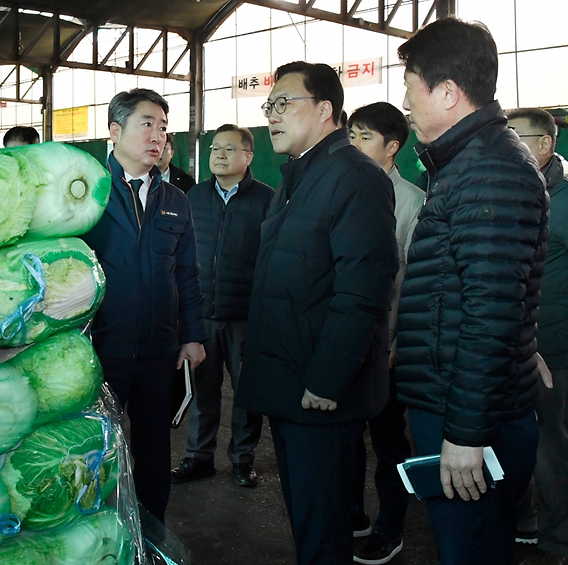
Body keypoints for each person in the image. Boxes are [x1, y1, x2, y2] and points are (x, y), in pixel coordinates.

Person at [394, 17, 549, 565]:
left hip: (469, 418)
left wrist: (464, 435)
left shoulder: (489, 169)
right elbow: (493, 289)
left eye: (410, 88)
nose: (406, 104)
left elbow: (490, 313)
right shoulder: (473, 162)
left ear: (448, 93)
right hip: (466, 401)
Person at [234, 61, 398, 565]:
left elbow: (362, 293)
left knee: (323, 531)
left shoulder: (356, 178)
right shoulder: (299, 177)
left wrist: (327, 381)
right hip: (290, 385)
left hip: (319, 397)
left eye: (285, 103)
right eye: (269, 106)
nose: (272, 116)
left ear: (325, 110)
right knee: (309, 520)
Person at [81, 88, 208, 524]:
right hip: (101, 349)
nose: (157, 136)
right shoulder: (89, 196)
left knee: (154, 452)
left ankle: (151, 536)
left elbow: (187, 274)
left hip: (159, 351)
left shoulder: (176, 201)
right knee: (98, 448)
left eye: (163, 127)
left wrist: (192, 335)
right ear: (115, 131)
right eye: (146, 124)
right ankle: (104, 534)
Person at [170, 124, 272, 488]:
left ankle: (243, 459)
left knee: (248, 394)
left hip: (246, 316)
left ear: (248, 156)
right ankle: (198, 458)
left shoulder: (267, 200)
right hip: (201, 314)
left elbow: (272, 261)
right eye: (215, 148)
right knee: (202, 392)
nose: (220, 155)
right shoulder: (192, 197)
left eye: (230, 149)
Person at [346, 102, 426, 564]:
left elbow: (415, 283)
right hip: (348, 346)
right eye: (351, 135)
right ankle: (354, 515)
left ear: (393, 147)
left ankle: (390, 527)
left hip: (387, 352)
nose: (354, 144)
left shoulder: (413, 202)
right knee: (347, 437)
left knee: (390, 442)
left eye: (365, 137)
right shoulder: (345, 189)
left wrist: (397, 345)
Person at [506, 107, 568, 561]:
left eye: (516, 137)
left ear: (544, 145)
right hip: (513, 343)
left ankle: (557, 537)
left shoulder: (565, 200)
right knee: (513, 436)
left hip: (554, 346)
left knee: (551, 443)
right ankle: (524, 522)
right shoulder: (513, 190)